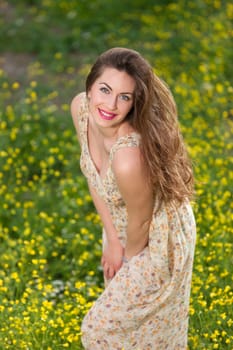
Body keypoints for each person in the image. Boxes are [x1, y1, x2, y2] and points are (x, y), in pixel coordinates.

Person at [71, 47, 196, 350]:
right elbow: (94, 177)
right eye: (104, 89)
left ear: (133, 103)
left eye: (124, 97)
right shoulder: (80, 109)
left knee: (99, 331)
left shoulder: (128, 156)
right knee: (131, 333)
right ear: (89, 87)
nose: (110, 105)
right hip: (120, 225)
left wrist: (127, 260)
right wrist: (113, 239)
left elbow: (141, 221)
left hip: (156, 237)